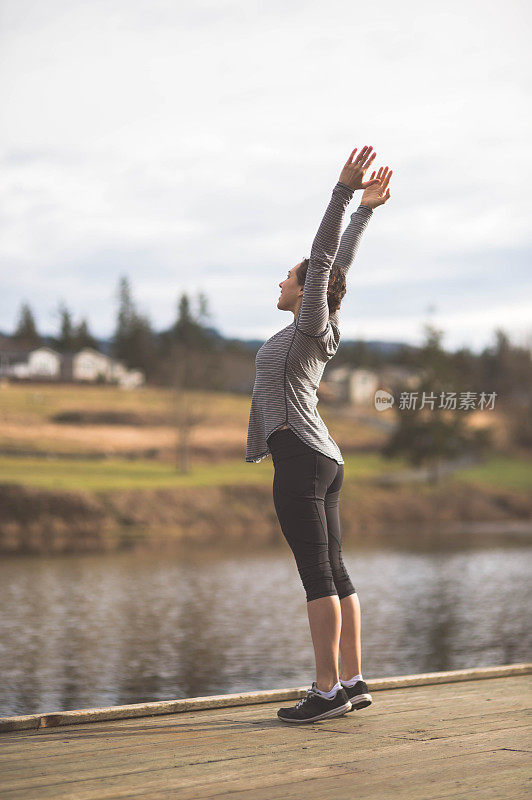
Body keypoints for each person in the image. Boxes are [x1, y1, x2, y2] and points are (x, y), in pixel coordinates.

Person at [245, 146, 392, 723]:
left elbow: (323, 259)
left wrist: (343, 192)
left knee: (318, 576)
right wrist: (366, 211)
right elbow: (332, 267)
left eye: (289, 277)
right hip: (321, 455)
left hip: (302, 457)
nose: (281, 281)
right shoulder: (316, 327)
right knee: (335, 570)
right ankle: (352, 680)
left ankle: (328, 689)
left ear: (306, 292)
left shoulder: (309, 326)